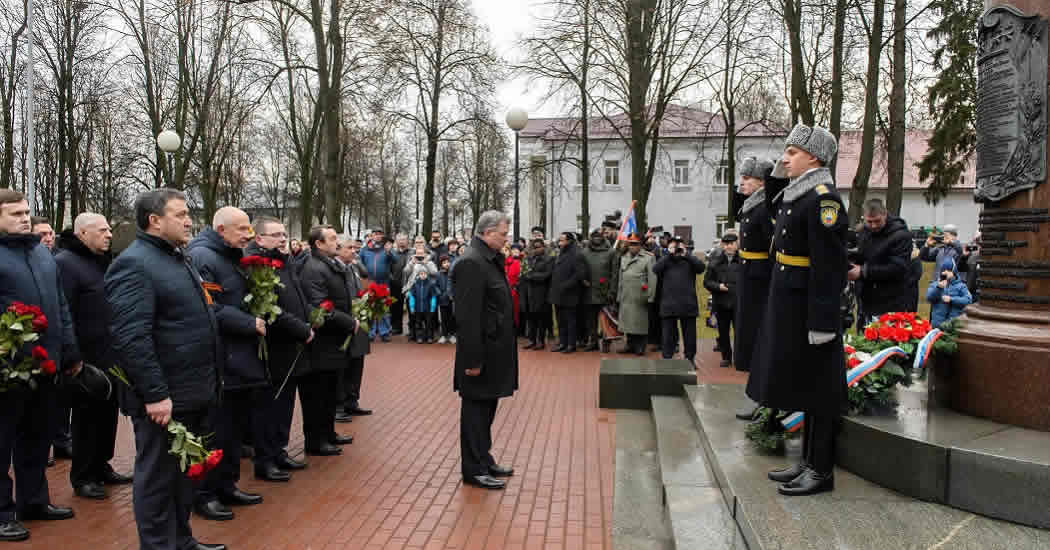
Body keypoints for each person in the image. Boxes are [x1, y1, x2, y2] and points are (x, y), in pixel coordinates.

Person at [105, 188, 224, 550]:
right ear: (155, 221)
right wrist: (155, 394)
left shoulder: (177, 257)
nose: (190, 221)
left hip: (194, 390)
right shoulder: (134, 263)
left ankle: (182, 541)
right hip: (165, 399)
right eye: (181, 214)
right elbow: (132, 338)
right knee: (158, 479)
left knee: (184, 476)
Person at [746, 123, 848, 497]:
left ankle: (821, 471)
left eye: (791, 153)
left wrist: (822, 322)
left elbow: (829, 267)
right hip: (790, 303)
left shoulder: (824, 199)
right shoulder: (798, 194)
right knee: (806, 388)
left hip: (809, 309)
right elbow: (772, 205)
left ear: (815, 157)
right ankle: (806, 462)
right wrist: (777, 172)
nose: (784, 159)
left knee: (819, 391)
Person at [0, 190, 80, 543]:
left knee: (37, 439)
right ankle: (2, 514)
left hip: (45, 364)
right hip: (8, 370)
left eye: (27, 211)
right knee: (1, 445)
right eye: (15, 212)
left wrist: (70, 350)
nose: (24, 218)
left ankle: (33, 502)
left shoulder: (42, 253)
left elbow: (60, 304)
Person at [185, 207, 267, 520]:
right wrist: (249, 323)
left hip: (240, 360)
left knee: (233, 430)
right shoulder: (204, 258)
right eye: (243, 229)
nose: (249, 235)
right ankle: (205, 494)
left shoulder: (231, 255)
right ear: (221, 230)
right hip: (222, 358)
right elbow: (210, 309)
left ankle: (228, 485)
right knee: (216, 431)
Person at [55, 213, 133, 501]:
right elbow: (64, 312)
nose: (109, 235)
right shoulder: (65, 264)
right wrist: (72, 356)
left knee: (108, 414)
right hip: (84, 357)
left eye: (109, 230)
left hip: (109, 353)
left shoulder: (103, 262)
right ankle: (84, 476)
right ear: (82, 233)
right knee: (86, 418)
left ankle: (102, 464)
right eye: (102, 231)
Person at [452, 211, 518, 490]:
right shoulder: (472, 263)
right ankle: (473, 468)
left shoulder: (488, 259)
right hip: (480, 355)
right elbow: (467, 318)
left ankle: (484, 458)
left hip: (494, 350)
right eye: (504, 234)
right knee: (475, 413)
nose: (507, 239)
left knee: (487, 409)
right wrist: (473, 359)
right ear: (488, 232)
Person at [247, 217, 313, 482]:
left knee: (285, 404)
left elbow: (297, 296)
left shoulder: (285, 262)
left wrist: (308, 320)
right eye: (275, 235)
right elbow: (270, 308)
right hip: (273, 347)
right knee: (269, 406)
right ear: (259, 239)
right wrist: (300, 328)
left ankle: (279, 450)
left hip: (291, 346)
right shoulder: (257, 265)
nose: (283, 238)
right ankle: (265, 458)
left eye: (284, 233)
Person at [298, 225, 363, 456]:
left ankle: (328, 433)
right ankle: (316, 439)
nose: (338, 242)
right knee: (318, 394)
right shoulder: (314, 268)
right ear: (319, 244)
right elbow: (319, 306)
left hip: (334, 341)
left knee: (330, 391)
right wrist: (348, 322)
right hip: (321, 344)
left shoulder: (330, 265)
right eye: (333, 238)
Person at [733, 157, 782, 419]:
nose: (742, 183)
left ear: (762, 182)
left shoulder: (765, 208)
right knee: (749, 335)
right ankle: (754, 392)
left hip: (760, 278)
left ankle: (762, 396)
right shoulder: (750, 206)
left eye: (748, 178)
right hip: (748, 275)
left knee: (758, 335)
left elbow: (773, 248)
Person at [848, 198, 915, 321]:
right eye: (869, 222)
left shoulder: (901, 236)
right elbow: (863, 255)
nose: (873, 226)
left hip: (891, 302)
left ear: (885, 214)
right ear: (864, 218)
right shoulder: (865, 232)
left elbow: (898, 268)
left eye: (877, 221)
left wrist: (863, 272)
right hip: (866, 300)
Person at [652, 236, 705, 365]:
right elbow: (655, 269)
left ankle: (690, 359)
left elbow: (701, 268)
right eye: (673, 246)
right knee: (668, 336)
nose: (677, 249)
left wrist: (686, 254)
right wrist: (669, 255)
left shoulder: (689, 260)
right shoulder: (665, 260)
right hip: (669, 304)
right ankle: (667, 359)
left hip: (688, 304)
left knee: (690, 336)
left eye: (679, 246)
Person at [334, 240, 372, 420]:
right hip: (344, 322)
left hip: (359, 321)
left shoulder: (354, 267)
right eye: (349, 248)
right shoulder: (336, 269)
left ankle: (352, 401)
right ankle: (339, 405)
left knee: (357, 364)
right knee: (343, 366)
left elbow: (362, 285)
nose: (354, 251)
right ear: (338, 250)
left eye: (355, 248)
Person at [548, 232, 589, 354]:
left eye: (562, 240)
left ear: (569, 241)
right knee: (560, 320)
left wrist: (566, 285)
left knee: (570, 320)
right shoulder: (561, 253)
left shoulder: (577, 254)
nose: (559, 243)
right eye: (559, 240)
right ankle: (562, 342)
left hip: (570, 294)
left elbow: (579, 274)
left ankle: (571, 344)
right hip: (558, 293)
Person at [704, 234, 741, 368]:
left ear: (737, 245)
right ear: (722, 245)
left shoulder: (743, 261)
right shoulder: (715, 263)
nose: (729, 246)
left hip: (739, 304)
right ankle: (726, 357)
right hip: (721, 302)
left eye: (732, 243)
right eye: (726, 244)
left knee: (740, 332)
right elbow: (706, 282)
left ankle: (740, 357)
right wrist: (718, 286)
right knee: (723, 332)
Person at [617, 234, 656, 355]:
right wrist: (619, 294)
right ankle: (629, 344)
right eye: (630, 244)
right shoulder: (624, 257)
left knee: (640, 322)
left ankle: (640, 346)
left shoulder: (648, 258)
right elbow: (620, 278)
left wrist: (650, 296)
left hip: (640, 295)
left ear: (640, 245)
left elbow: (653, 279)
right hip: (626, 294)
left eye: (635, 244)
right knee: (628, 321)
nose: (632, 247)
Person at [580, 230, 618, 352]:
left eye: (599, 236)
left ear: (603, 238)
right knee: (590, 319)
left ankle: (607, 341)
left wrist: (612, 291)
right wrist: (582, 279)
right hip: (589, 290)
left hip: (605, 291)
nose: (596, 239)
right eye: (594, 236)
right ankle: (593, 341)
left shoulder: (611, 252)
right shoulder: (585, 252)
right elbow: (580, 268)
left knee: (606, 319)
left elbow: (615, 273)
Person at [359, 229, 395, 341]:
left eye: (380, 234)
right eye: (375, 234)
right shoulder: (365, 249)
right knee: (370, 307)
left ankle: (384, 332)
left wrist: (389, 252)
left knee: (384, 308)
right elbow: (359, 262)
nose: (378, 236)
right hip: (369, 282)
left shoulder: (386, 248)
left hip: (384, 282)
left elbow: (395, 260)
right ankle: (371, 332)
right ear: (371, 236)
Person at [520, 239, 554, 350]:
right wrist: (529, 275)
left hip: (542, 292)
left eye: (539, 247)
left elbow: (546, 274)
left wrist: (532, 276)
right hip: (529, 292)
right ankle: (532, 340)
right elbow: (524, 272)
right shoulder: (529, 259)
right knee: (531, 318)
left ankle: (541, 341)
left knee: (541, 318)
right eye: (535, 247)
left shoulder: (548, 259)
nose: (537, 249)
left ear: (543, 247)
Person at [927, 258, 973, 327]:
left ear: (954, 271)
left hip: (951, 326)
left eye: (948, 270)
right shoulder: (935, 284)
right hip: (936, 324)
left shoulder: (961, 286)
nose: (945, 272)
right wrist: (938, 288)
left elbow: (968, 300)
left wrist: (952, 299)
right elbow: (929, 298)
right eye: (943, 270)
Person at [408, 265, 440, 344]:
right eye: (421, 274)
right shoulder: (415, 284)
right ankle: (419, 337)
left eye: (424, 274)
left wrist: (433, 307)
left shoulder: (431, 284)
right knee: (418, 324)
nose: (423, 275)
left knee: (429, 324)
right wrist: (412, 307)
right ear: (418, 275)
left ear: (427, 274)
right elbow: (412, 296)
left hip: (428, 309)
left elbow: (433, 297)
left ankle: (429, 337)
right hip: (418, 308)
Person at [388, 234, 411, 335]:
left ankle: (412, 328)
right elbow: (388, 267)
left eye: (404, 239)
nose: (402, 241)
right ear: (396, 241)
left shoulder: (412, 252)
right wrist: (391, 278)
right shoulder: (392, 253)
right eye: (400, 239)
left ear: (407, 241)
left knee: (411, 306)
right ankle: (396, 327)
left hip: (409, 284)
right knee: (395, 306)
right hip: (395, 283)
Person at [435, 256, 456, 344]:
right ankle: (444, 335)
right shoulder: (438, 274)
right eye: (444, 262)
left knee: (451, 318)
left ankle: (452, 335)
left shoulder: (453, 273)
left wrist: (452, 294)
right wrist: (439, 293)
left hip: (451, 300)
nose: (446, 264)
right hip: (442, 300)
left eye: (448, 262)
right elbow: (435, 286)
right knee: (443, 318)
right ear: (441, 264)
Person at [957, 233, 980, 301]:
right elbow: (960, 268)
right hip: (971, 292)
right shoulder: (972, 256)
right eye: (977, 241)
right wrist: (964, 257)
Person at [505, 244, 523, 330]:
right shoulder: (503, 262)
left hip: (513, 290)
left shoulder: (518, 262)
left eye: (506, 250)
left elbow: (515, 277)